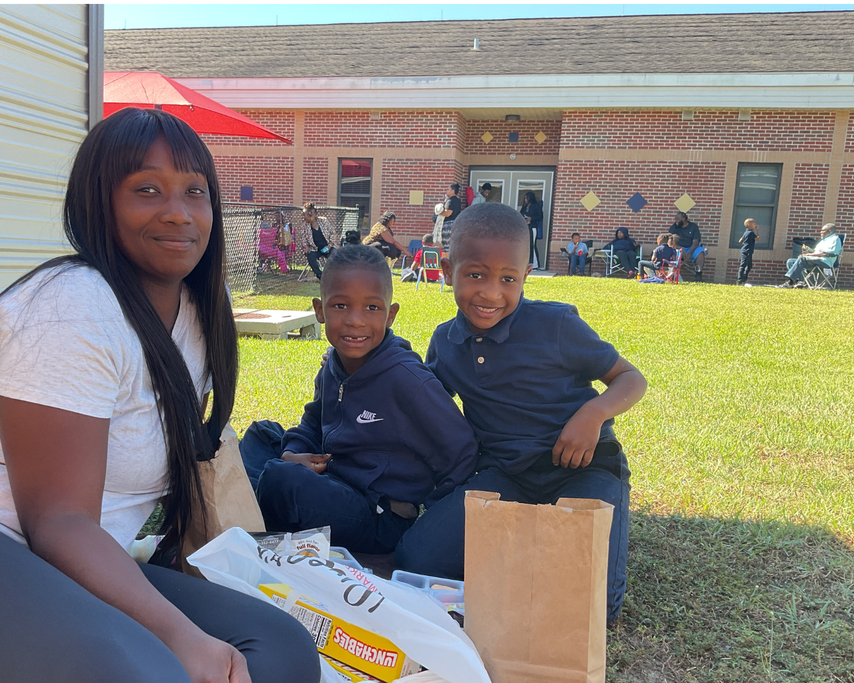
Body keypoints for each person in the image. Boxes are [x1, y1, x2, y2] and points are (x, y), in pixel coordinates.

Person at [0, 108, 319, 683]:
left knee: (277, 649)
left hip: (51, 565)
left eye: (195, 191)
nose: (178, 211)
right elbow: (59, 519)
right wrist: (180, 637)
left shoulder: (193, 315)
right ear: (98, 203)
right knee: (150, 671)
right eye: (147, 189)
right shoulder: (73, 305)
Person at [395, 202, 647, 624]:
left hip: (584, 469)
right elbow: (430, 415)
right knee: (416, 559)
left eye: (508, 279)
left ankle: (540, 547)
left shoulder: (557, 326)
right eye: (475, 275)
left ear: (526, 277)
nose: (491, 293)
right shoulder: (446, 342)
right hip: (505, 474)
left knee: (592, 605)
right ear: (445, 267)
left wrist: (593, 414)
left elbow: (630, 378)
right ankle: (523, 545)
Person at [240, 245, 478, 555]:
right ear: (320, 310)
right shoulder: (334, 366)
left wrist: (430, 519)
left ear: (390, 315)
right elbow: (313, 422)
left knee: (280, 480)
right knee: (263, 434)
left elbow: (462, 451)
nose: (355, 320)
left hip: (379, 515)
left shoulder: (407, 380)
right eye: (340, 306)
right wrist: (293, 452)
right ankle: (262, 499)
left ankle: (257, 508)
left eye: (371, 308)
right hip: (333, 479)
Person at [779, 222, 841, 288]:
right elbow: (817, 252)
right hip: (815, 261)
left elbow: (825, 253)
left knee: (802, 258)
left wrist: (808, 255)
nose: (820, 232)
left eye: (823, 230)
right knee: (790, 261)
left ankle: (790, 282)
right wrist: (808, 250)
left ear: (829, 231)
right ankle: (799, 282)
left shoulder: (834, 239)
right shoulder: (824, 240)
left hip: (824, 262)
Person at [669, 211, 706, 281]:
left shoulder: (693, 226)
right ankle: (675, 275)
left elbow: (696, 242)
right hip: (679, 248)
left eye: (678, 219)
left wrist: (689, 253)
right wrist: (679, 248)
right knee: (674, 252)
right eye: (675, 219)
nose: (676, 221)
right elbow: (670, 241)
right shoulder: (674, 227)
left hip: (691, 248)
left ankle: (698, 274)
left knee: (700, 252)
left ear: (683, 219)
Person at [302, 201, 333, 279]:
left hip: (327, 247)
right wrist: (306, 247)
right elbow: (303, 239)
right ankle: (320, 276)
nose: (303, 217)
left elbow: (333, 233)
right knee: (310, 256)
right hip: (314, 249)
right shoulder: (304, 226)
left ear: (311, 215)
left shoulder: (324, 221)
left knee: (335, 254)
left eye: (304, 215)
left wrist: (329, 246)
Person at [519, 191, 544, 269]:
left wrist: (531, 218)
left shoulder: (536, 206)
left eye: (527, 198)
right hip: (525, 228)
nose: (525, 200)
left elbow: (540, 217)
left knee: (532, 245)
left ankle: (535, 264)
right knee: (526, 246)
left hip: (533, 228)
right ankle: (527, 263)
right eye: (525, 198)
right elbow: (520, 214)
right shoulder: (524, 207)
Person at [737, 218, 760, 286]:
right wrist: (758, 230)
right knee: (743, 266)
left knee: (749, 266)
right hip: (746, 251)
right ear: (749, 225)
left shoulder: (746, 232)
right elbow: (758, 238)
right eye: (753, 223)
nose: (755, 225)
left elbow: (740, 240)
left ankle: (744, 279)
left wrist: (745, 244)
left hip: (747, 251)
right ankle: (740, 280)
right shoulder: (750, 233)